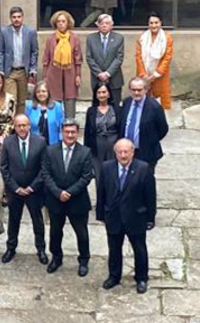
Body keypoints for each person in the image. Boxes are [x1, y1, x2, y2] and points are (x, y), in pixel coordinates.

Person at [97, 138, 157, 294]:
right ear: (115, 153)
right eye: (120, 152)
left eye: (126, 152)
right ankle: (114, 276)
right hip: (114, 217)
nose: (123, 155)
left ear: (132, 152)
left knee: (139, 249)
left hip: (135, 217)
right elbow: (101, 192)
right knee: (114, 249)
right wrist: (101, 214)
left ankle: (141, 278)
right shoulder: (106, 167)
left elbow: (150, 196)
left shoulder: (143, 168)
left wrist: (150, 218)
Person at [42, 119, 95, 277]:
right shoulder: (50, 150)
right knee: (55, 232)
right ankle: (56, 258)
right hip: (55, 200)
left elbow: (86, 177)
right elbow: (46, 174)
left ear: (77, 133)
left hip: (77, 200)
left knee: (81, 233)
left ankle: (84, 260)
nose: (70, 135)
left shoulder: (85, 152)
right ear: (61, 133)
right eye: (67, 132)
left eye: (73, 132)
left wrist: (69, 192)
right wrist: (58, 192)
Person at [0, 114, 49, 265]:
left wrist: (32, 187)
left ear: (29, 126)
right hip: (15, 191)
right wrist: (15, 188)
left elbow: (44, 167)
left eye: (24, 125)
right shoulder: (8, 143)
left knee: (37, 221)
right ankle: (11, 248)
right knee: (13, 220)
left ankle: (41, 249)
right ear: (14, 127)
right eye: (18, 126)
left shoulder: (40, 142)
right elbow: (4, 168)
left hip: (34, 190)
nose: (22, 128)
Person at [118, 77, 169, 171]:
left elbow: (163, 129)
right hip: (126, 152)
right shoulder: (126, 103)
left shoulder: (154, 107)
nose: (136, 93)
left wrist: (150, 141)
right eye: (133, 90)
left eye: (139, 90)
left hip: (147, 152)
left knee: (145, 178)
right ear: (129, 90)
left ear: (145, 90)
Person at [0, 7, 39, 115]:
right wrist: (1, 69)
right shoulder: (4, 31)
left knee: (22, 101)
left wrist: (33, 68)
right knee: (11, 99)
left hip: (23, 71)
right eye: (14, 17)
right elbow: (0, 51)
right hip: (9, 71)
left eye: (19, 17)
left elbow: (34, 51)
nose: (16, 19)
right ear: (10, 18)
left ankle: (19, 122)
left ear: (22, 17)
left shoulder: (30, 32)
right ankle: (10, 122)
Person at [43, 10, 81, 119]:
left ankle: (70, 125)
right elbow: (46, 59)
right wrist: (45, 77)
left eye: (63, 21)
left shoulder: (74, 38)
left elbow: (78, 59)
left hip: (70, 73)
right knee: (54, 102)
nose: (61, 24)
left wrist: (78, 75)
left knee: (70, 101)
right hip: (54, 73)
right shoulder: (51, 39)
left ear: (68, 23)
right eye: (58, 21)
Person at [136, 12, 174, 109]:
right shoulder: (142, 37)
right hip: (144, 75)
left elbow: (167, 58)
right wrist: (144, 75)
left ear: (160, 23)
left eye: (156, 23)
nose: (154, 25)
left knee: (160, 103)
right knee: (143, 101)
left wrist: (156, 74)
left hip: (160, 75)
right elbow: (138, 57)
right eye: (151, 23)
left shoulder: (167, 38)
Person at [85, 13, 124, 105]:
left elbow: (119, 58)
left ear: (112, 25)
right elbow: (89, 58)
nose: (104, 25)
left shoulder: (119, 38)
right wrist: (99, 73)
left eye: (107, 23)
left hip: (114, 78)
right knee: (97, 105)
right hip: (97, 78)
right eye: (101, 23)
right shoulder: (91, 38)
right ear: (97, 25)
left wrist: (107, 73)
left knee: (115, 106)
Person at [84, 82, 120, 176]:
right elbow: (87, 133)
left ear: (109, 94)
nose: (101, 95)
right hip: (97, 145)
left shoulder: (117, 109)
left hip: (114, 145)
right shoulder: (91, 111)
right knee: (99, 174)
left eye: (104, 92)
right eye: (99, 92)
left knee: (113, 174)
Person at [25, 81, 65, 146]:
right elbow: (26, 126)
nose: (41, 94)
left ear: (48, 92)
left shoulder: (57, 106)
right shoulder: (29, 106)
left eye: (43, 91)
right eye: (38, 92)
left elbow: (62, 126)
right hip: (35, 144)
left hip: (53, 144)